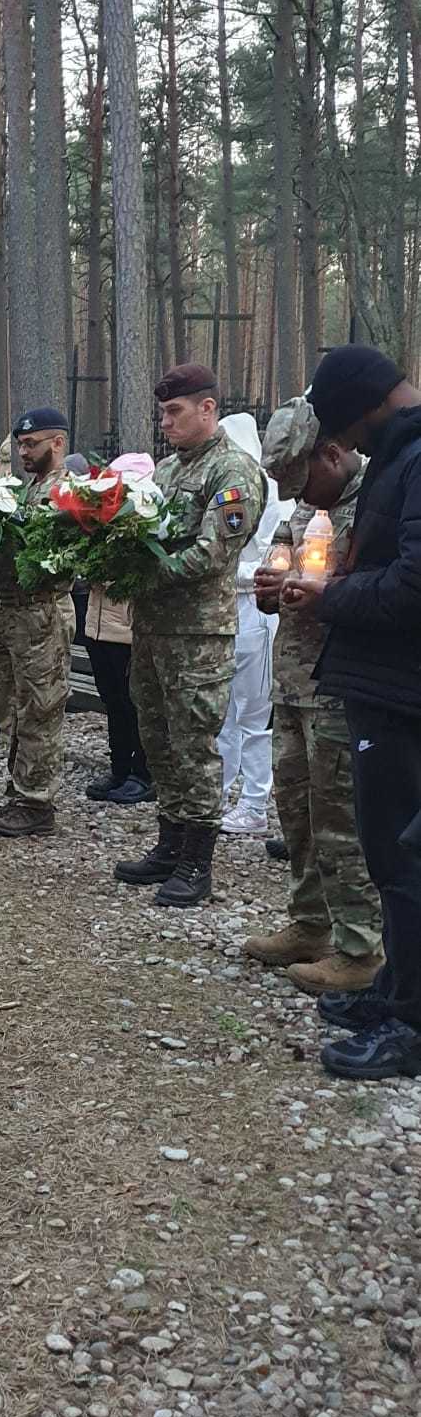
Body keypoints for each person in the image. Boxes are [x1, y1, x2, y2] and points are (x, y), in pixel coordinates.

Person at [281, 345, 421, 1079]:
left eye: (348, 428)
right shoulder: (399, 457)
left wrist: (331, 598)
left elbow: (411, 586)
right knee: (386, 851)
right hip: (382, 687)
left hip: (404, 692)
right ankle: (396, 989)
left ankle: (411, 1026)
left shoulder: (416, 456)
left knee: (403, 862)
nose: (350, 445)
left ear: (369, 406)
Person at [244, 394, 382, 996]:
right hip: (294, 682)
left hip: (343, 686)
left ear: (334, 453)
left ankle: (361, 947)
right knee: (297, 810)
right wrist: (271, 587)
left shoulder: (379, 502)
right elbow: (277, 563)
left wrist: (326, 590)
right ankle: (310, 924)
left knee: (340, 818)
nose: (299, 493)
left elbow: (382, 589)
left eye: (304, 478)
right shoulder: (302, 505)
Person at [114, 363, 265, 906]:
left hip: (199, 635)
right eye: (162, 414)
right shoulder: (168, 472)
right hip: (154, 629)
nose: (165, 423)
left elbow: (213, 552)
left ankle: (198, 863)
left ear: (207, 408)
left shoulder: (234, 472)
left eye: (174, 412)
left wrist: (143, 575)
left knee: (194, 745)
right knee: (157, 739)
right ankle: (169, 845)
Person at [0, 406, 76, 838]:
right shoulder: (28, 488)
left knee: (40, 705)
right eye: (20, 444)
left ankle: (37, 801)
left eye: (30, 444)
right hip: (10, 609)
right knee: (10, 703)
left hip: (42, 609)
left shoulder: (68, 493)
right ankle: (19, 789)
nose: (23, 452)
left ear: (57, 443)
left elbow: (62, 557)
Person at [216, 411, 292, 834]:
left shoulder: (272, 494)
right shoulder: (225, 489)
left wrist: (226, 573)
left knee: (254, 713)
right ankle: (220, 790)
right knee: (223, 711)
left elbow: (269, 558)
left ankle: (255, 800)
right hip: (224, 607)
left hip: (255, 610)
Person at [83, 586, 152, 804]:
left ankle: (143, 772)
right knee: (112, 702)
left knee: (134, 703)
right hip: (97, 626)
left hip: (127, 630)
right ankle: (120, 767)